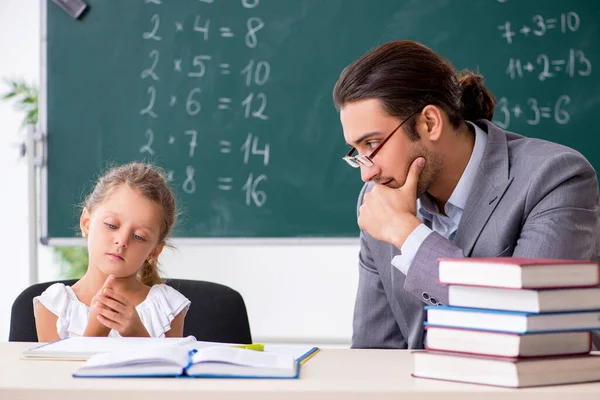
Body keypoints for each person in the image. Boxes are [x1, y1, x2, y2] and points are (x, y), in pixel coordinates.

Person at [333, 40, 600, 349]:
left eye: (373, 145)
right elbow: (374, 351)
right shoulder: (379, 199)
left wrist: (408, 236)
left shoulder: (553, 177)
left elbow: (525, 326)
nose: (367, 174)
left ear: (430, 122)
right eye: (357, 152)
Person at [34, 162, 190, 341]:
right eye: (111, 225)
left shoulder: (167, 306)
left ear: (154, 252)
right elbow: (55, 370)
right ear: (86, 223)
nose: (122, 241)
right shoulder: (55, 305)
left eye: (139, 236)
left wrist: (137, 334)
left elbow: (169, 367)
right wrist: (96, 331)